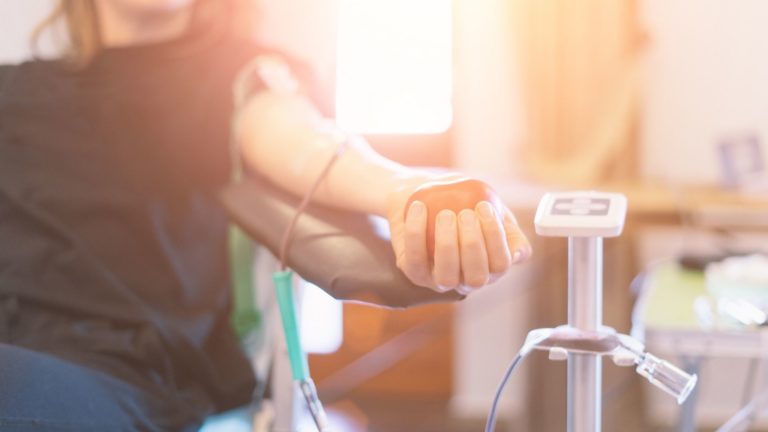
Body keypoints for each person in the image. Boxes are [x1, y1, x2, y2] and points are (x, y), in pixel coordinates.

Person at [0, 0, 532, 430]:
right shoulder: (15, 90)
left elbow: (308, 145)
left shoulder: (233, 76)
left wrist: (407, 188)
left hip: (121, 370)